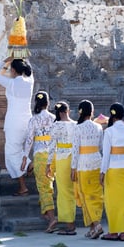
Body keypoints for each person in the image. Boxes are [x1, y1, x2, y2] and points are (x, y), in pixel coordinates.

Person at [0, 57, 34, 196]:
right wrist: (24, 57)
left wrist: (5, 60)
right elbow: (31, 69)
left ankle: (26, 175)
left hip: (14, 122)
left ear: (13, 70)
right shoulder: (30, 81)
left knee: (12, 154)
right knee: (20, 151)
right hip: (28, 121)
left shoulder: (11, 83)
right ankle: (28, 165)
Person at [21, 91, 57, 233]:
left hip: (41, 156)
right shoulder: (54, 118)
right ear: (48, 103)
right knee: (49, 185)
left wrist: (25, 157)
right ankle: (47, 213)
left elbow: (29, 140)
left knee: (44, 188)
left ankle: (52, 218)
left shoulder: (34, 120)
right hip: (54, 155)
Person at [100, 102, 124, 242]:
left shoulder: (109, 132)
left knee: (112, 200)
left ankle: (114, 231)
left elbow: (106, 154)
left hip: (113, 168)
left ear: (112, 115)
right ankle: (123, 231)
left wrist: (102, 172)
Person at [71, 99, 104, 239]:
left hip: (83, 164)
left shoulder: (77, 128)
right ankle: (92, 228)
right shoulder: (98, 127)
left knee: (86, 196)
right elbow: (101, 146)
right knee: (96, 195)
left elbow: (75, 150)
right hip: (97, 161)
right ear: (92, 112)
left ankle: (96, 225)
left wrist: (73, 168)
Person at [46, 101, 77, 235]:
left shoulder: (56, 126)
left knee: (64, 192)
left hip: (63, 159)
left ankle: (70, 225)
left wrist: (48, 165)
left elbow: (52, 147)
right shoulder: (76, 125)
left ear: (58, 113)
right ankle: (72, 222)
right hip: (75, 158)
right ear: (68, 111)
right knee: (72, 191)